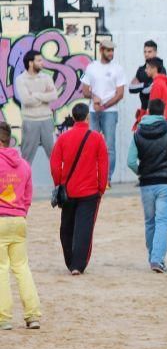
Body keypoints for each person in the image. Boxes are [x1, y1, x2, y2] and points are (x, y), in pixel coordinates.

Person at [126, 99, 167, 273]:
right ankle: (157, 259)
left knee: (150, 222)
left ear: (148, 112)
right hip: (166, 183)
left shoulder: (138, 133)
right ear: (163, 112)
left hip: (146, 184)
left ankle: (152, 258)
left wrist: (141, 171)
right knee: (162, 222)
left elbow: (130, 161)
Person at [50, 103, 108, 275]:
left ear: (74, 118)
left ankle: (70, 261)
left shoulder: (63, 138)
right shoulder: (97, 138)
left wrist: (59, 183)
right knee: (84, 228)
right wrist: (101, 187)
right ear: (87, 118)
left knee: (66, 228)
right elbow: (103, 164)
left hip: (69, 191)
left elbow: (54, 165)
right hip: (90, 192)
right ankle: (78, 265)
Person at [0, 121, 40, 331]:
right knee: (22, 268)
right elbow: (27, 196)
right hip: (18, 220)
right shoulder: (23, 164)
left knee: (1, 269)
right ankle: (32, 315)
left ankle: (4, 317)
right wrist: (21, 213)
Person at [80, 41, 126, 181]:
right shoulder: (92, 67)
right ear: (101, 50)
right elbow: (85, 91)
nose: (111, 53)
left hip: (110, 112)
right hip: (93, 112)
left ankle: (107, 179)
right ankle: (93, 177)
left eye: (112, 50)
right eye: (108, 50)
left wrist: (104, 106)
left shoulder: (118, 69)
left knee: (109, 146)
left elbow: (120, 94)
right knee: (92, 146)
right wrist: (94, 98)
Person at [14, 51, 57, 165]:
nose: (42, 63)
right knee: (26, 157)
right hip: (30, 121)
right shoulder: (21, 79)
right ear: (30, 63)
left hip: (47, 120)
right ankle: (24, 183)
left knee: (54, 155)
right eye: (39, 61)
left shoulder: (46, 77)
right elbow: (26, 100)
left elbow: (54, 95)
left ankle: (60, 183)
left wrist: (36, 95)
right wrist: (44, 97)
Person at [128, 40, 165, 115]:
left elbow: (149, 90)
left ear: (155, 52)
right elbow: (131, 88)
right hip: (144, 110)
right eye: (145, 52)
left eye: (149, 52)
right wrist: (145, 85)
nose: (146, 54)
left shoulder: (161, 69)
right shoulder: (141, 69)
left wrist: (141, 87)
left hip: (158, 113)